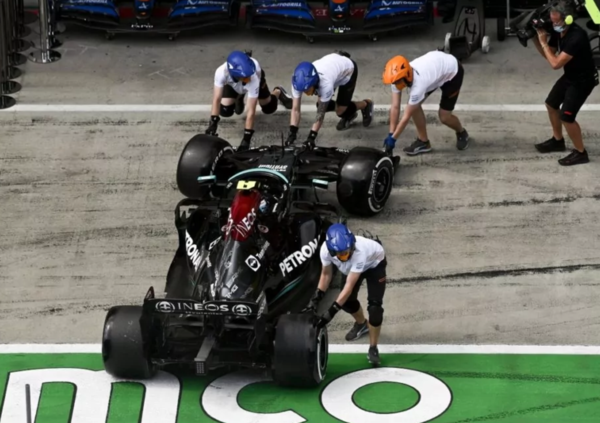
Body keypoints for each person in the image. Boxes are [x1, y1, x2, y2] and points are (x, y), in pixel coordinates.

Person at [307, 223, 387, 366]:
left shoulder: (359, 253)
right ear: (332, 251)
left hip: (375, 264)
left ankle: (373, 347)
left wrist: (330, 313)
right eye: (342, 254)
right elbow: (326, 275)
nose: (346, 255)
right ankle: (362, 324)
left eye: (348, 251)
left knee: (375, 309)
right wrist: (316, 297)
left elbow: (349, 286)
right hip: (352, 269)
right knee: (347, 302)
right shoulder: (325, 251)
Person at [532, 1, 598, 166]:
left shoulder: (577, 37)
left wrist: (544, 42)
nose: (554, 24)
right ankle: (557, 140)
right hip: (570, 75)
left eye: (556, 21)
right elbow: (549, 54)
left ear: (568, 19)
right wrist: (535, 38)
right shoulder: (558, 31)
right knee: (551, 104)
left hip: (583, 80)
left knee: (567, 117)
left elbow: (555, 64)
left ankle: (581, 153)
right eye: (552, 21)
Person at [381, 50, 469, 157]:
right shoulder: (396, 78)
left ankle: (461, 132)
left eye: (398, 82)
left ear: (407, 76)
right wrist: (391, 133)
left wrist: (393, 139)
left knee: (444, 117)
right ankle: (424, 142)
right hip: (436, 71)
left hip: (452, 73)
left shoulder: (418, 84)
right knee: (414, 106)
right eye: (394, 83)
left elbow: (406, 117)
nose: (396, 85)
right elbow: (395, 107)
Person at [205, 50, 293, 151]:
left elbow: (251, 111)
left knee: (269, 108)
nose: (248, 79)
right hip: (233, 84)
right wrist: (213, 124)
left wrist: (246, 139)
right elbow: (216, 99)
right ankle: (240, 95)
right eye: (245, 77)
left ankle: (278, 91)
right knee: (225, 110)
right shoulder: (221, 72)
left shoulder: (253, 78)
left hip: (256, 82)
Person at [286, 52, 374, 148]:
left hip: (348, 71)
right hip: (333, 65)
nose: (306, 93)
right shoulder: (297, 81)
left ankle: (365, 104)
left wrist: (311, 137)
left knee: (340, 111)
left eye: (308, 90)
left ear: (315, 82)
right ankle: (349, 111)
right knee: (321, 104)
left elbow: (320, 114)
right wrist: (292, 133)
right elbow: (295, 109)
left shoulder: (325, 85)